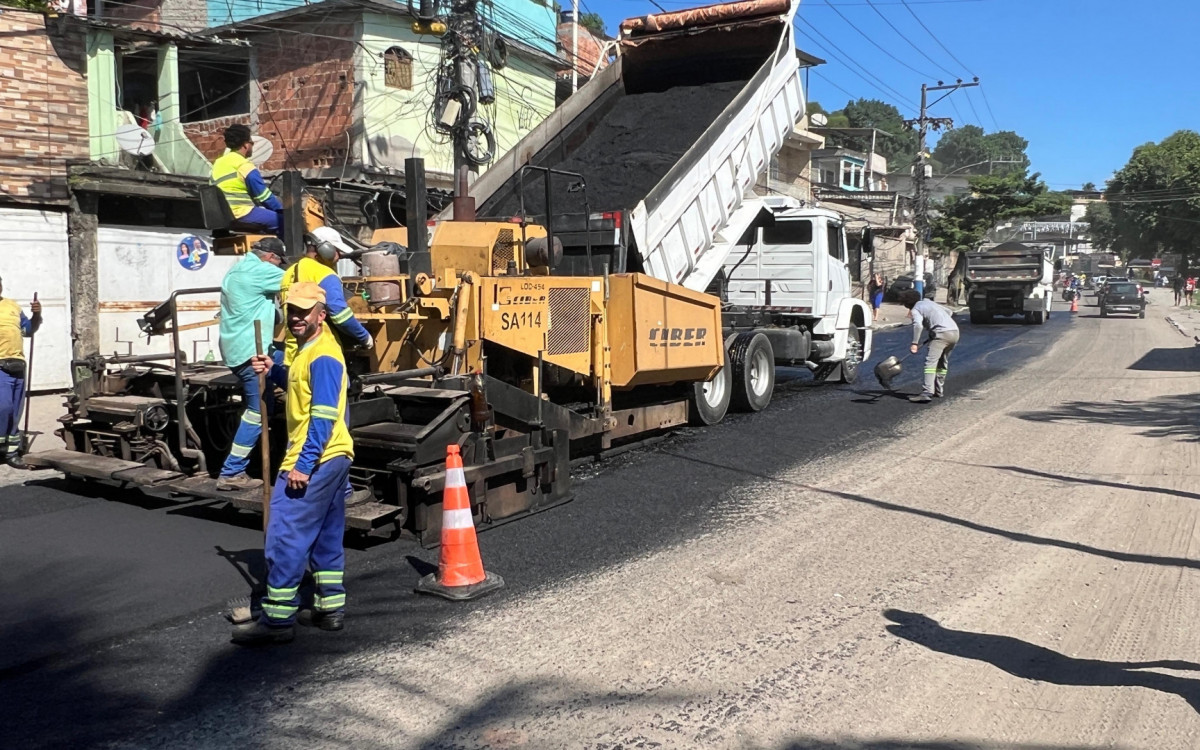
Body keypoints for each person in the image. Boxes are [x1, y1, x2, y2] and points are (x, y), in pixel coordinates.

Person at [232, 282, 354, 645]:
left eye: (305, 311)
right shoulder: (307, 350)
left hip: (315, 458)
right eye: (292, 311)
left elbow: (323, 415)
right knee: (325, 535)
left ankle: (277, 620)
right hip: (333, 457)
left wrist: (304, 465)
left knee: (284, 535)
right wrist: (275, 370)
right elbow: (303, 387)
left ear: (322, 314)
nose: (297, 317)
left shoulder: (324, 355)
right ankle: (330, 608)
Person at [215, 238, 286, 491]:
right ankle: (232, 471)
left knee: (284, 357)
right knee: (258, 411)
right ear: (270, 258)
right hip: (251, 353)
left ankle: (287, 394)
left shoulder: (238, 268)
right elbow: (299, 283)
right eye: (279, 262)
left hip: (239, 348)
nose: (279, 267)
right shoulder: (262, 270)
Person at [279, 226, 372, 366]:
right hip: (321, 351)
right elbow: (340, 315)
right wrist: (364, 337)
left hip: (293, 354)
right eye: (337, 250)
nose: (340, 255)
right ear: (325, 249)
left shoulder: (289, 272)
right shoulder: (324, 274)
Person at [211, 124, 283, 236]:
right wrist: (283, 211)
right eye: (251, 142)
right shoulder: (243, 165)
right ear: (245, 145)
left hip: (223, 216)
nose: (252, 146)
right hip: (241, 212)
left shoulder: (217, 163)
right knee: (285, 221)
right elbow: (264, 196)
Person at [0, 278, 40, 469]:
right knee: (4, 408)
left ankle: (11, 453)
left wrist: (37, 315)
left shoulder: (12, 306)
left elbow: (29, 330)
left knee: (15, 412)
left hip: (17, 366)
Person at [900, 289, 959, 404]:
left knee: (930, 363)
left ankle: (927, 392)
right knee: (943, 362)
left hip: (941, 334)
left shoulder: (916, 309)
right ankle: (939, 390)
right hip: (955, 332)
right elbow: (949, 312)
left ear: (907, 303)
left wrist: (914, 343)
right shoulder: (929, 302)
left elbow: (917, 325)